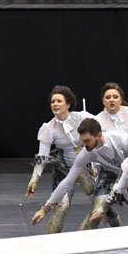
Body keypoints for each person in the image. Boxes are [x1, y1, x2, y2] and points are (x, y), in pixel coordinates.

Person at [31, 118, 128, 230]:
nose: (84, 145)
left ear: (99, 135)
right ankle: (115, 229)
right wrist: (45, 209)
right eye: (82, 141)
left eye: (87, 141)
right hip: (110, 176)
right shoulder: (87, 153)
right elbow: (68, 182)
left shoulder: (122, 139)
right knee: (95, 215)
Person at [26, 85, 96, 234]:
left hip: (86, 167)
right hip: (64, 170)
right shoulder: (48, 128)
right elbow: (42, 156)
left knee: (99, 204)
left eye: (59, 101)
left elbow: (99, 138)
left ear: (68, 104)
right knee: (60, 206)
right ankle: (52, 242)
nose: (55, 104)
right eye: (52, 102)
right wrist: (34, 180)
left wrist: (96, 165)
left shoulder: (82, 118)